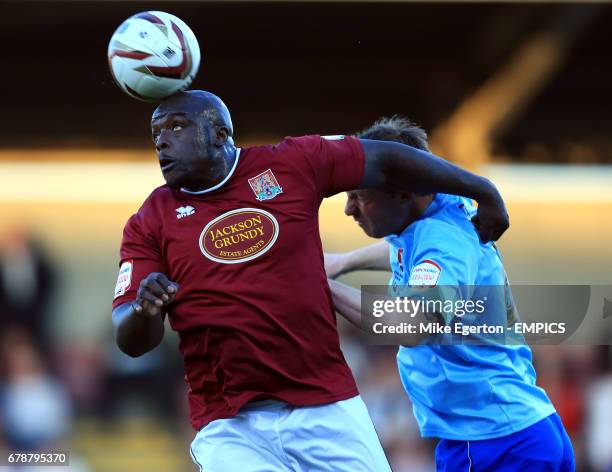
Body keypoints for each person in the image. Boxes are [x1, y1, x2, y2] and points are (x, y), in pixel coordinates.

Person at [111, 91, 509, 471]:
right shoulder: (149, 221)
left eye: (177, 127)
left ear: (220, 134)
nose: (162, 142)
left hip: (324, 401)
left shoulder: (291, 162)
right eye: (156, 134)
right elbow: (129, 338)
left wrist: (482, 190)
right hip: (230, 421)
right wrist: (145, 311)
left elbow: (388, 157)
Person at [326, 116, 575, 471]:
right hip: (516, 432)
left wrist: (319, 285)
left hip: (493, 444)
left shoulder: (442, 243)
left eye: (359, 196)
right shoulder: (437, 208)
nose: (349, 208)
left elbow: (411, 326)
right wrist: (342, 262)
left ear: (403, 193)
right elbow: (407, 253)